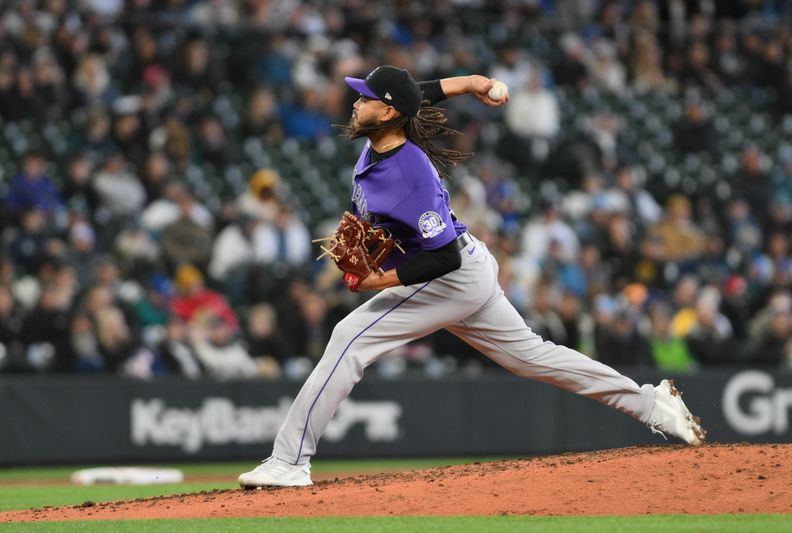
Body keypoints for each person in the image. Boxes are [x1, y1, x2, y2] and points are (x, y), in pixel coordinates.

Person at [238, 66, 706, 489]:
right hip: (468, 267)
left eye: (364, 98)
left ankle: (290, 460)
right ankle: (652, 405)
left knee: (349, 336)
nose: (355, 102)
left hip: (451, 276)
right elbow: (417, 94)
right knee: (532, 356)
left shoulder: (409, 175)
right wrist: (472, 83)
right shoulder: (388, 129)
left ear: (387, 113)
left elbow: (442, 259)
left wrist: (376, 281)